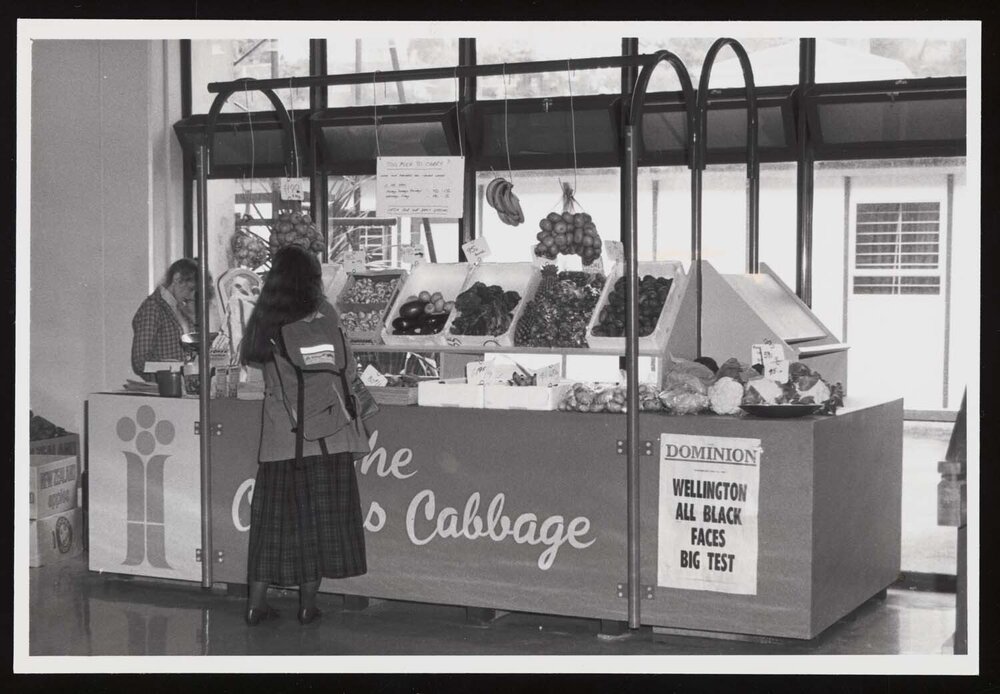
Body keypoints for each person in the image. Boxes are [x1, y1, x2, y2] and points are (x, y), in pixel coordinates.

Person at [239, 246, 370, 627]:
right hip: (326, 438)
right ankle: (307, 606)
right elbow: (347, 368)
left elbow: (264, 370)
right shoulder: (323, 313)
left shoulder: (264, 319)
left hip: (280, 441)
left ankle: (255, 605)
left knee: (272, 528)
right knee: (318, 525)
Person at [130, 258, 200, 380]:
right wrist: (171, 367)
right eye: (190, 289)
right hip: (164, 387)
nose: (191, 295)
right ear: (177, 278)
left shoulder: (180, 310)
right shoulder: (153, 307)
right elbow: (140, 361)